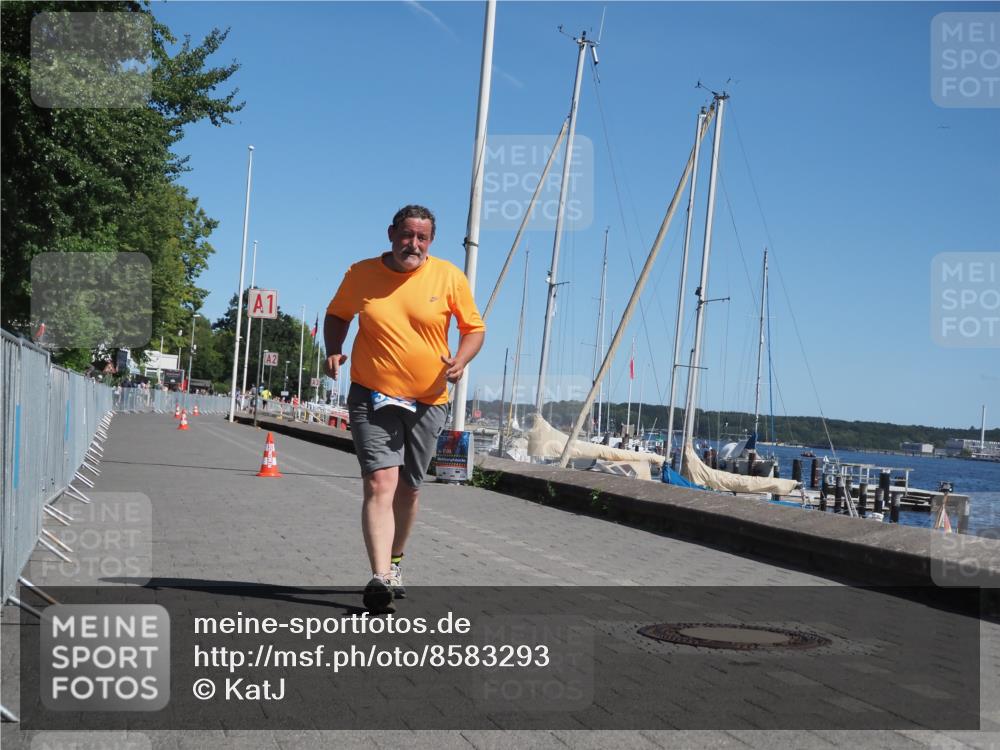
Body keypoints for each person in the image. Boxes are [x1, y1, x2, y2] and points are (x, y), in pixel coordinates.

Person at [324, 204, 485, 613]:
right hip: (371, 394)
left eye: (422, 237)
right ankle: (379, 576)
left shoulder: (448, 276)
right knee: (380, 483)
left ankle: (395, 562)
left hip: (428, 400)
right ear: (391, 233)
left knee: (410, 488)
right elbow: (338, 314)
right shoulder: (360, 273)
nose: (412, 243)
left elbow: (474, 329)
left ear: (430, 242)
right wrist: (334, 350)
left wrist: (461, 359)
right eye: (407, 234)